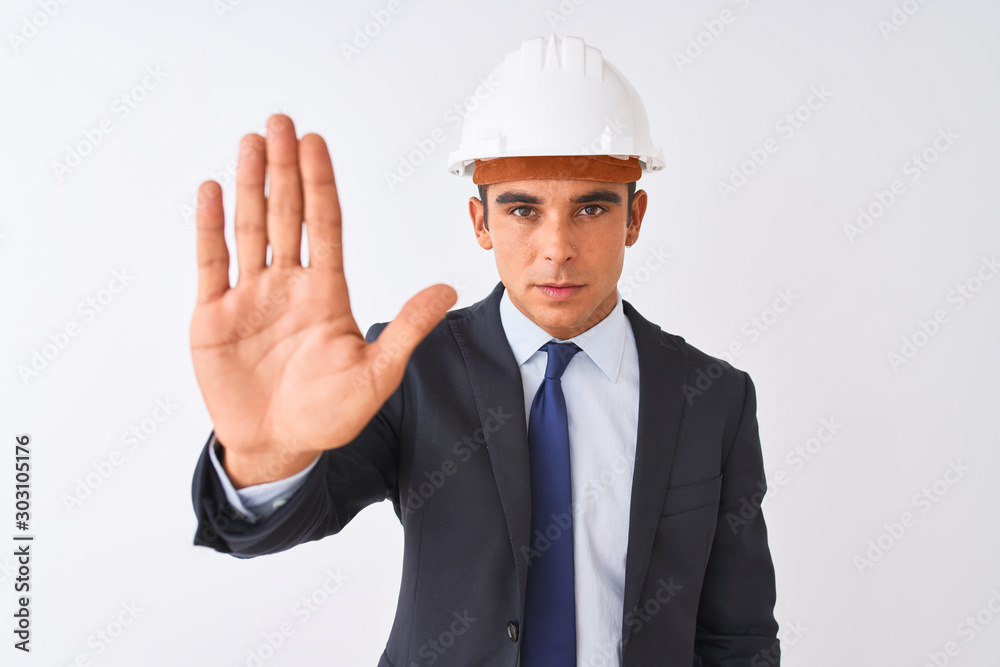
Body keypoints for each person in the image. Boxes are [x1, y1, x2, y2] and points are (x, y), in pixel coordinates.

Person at [189, 34, 780, 666]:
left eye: (591, 207)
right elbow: (269, 527)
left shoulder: (712, 396)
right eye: (524, 209)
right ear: (480, 221)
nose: (557, 247)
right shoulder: (407, 367)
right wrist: (268, 453)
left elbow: (736, 635)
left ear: (634, 219)